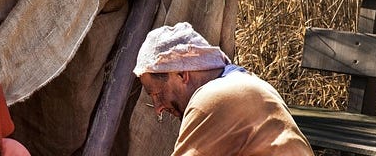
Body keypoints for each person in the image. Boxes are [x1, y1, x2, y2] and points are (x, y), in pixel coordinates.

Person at [134, 22, 315, 156]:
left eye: (157, 94)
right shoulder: (245, 83)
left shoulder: (212, 99)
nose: (158, 107)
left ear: (181, 74)